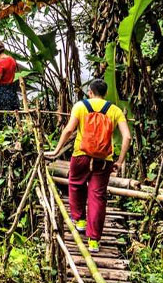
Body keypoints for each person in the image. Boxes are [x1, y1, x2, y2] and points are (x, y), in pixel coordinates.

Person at [45, 79, 132, 253]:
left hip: (81, 156)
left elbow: (69, 130)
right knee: (97, 197)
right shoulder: (114, 110)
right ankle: (94, 241)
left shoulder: (80, 106)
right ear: (105, 94)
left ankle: (80, 221)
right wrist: (120, 161)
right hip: (104, 160)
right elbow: (127, 137)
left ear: (90, 92)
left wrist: (56, 151)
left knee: (76, 185)